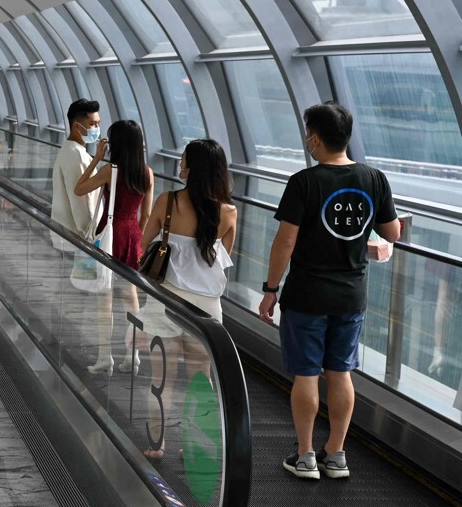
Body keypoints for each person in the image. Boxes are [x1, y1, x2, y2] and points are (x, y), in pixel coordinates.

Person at [259, 102, 400, 481]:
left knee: (306, 374)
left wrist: (270, 290)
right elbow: (391, 233)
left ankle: (305, 456)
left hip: (306, 294)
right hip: (351, 294)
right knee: (341, 373)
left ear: (315, 138)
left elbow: (285, 242)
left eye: (308, 133)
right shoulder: (375, 179)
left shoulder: (305, 182)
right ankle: (336, 454)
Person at [137, 139, 236, 460]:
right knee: (200, 380)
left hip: (164, 302)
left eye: (183, 161)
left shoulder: (168, 202)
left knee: (161, 379)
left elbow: (143, 243)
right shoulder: (229, 213)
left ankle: (157, 443)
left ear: (192, 169)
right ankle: (194, 448)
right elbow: (223, 257)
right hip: (206, 311)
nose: (180, 166)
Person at [74, 120, 154, 373]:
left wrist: (97, 158)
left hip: (108, 234)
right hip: (132, 234)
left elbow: (79, 189)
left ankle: (104, 357)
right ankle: (133, 356)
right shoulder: (147, 172)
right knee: (131, 298)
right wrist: (139, 243)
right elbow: (147, 215)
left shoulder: (111, 170)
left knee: (104, 299)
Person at [50, 99, 101, 250]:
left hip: (67, 237)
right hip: (77, 242)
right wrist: (92, 236)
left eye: (98, 123)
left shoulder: (69, 150)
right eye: (92, 124)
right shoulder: (77, 157)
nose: (97, 128)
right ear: (77, 126)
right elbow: (81, 204)